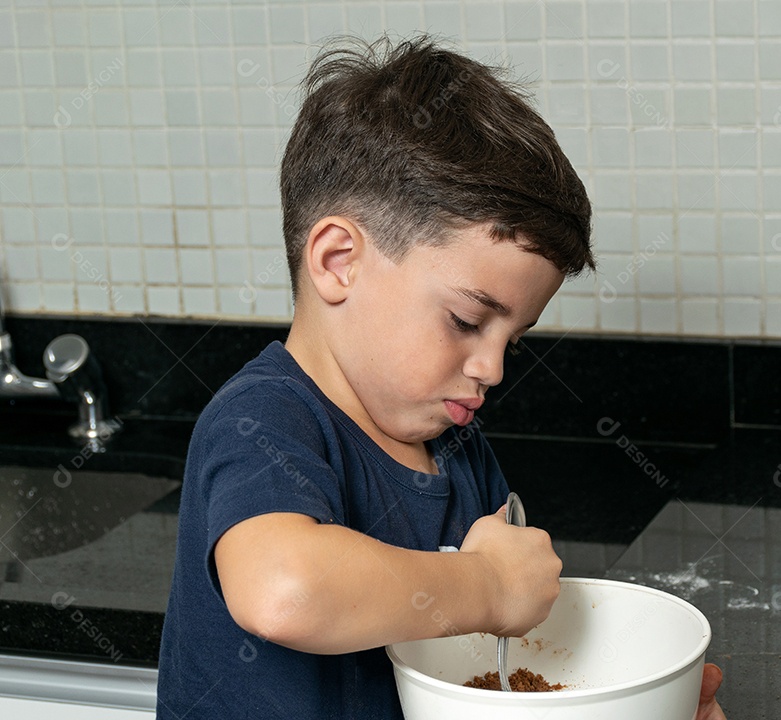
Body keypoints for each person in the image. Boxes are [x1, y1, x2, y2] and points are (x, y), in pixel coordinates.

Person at [156, 35, 727, 719]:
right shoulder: (266, 422)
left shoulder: (460, 456)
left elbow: (485, 677)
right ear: (339, 261)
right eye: (465, 320)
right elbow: (285, 590)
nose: (492, 368)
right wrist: (485, 582)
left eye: (512, 338)